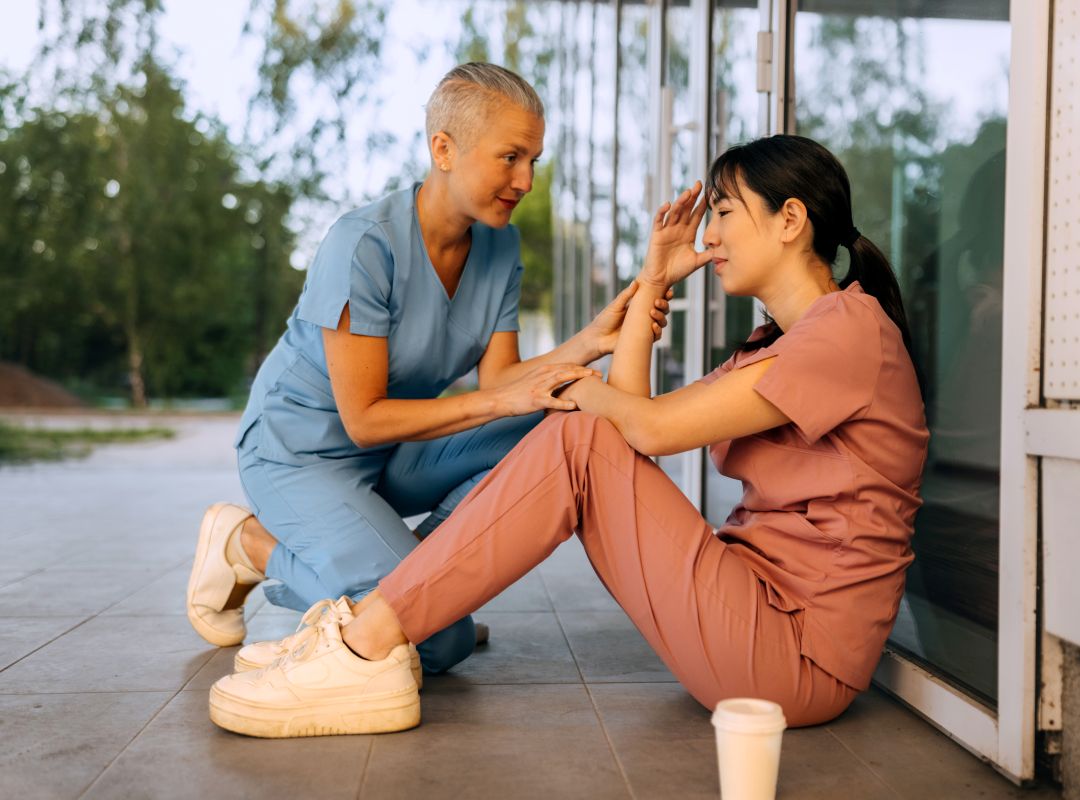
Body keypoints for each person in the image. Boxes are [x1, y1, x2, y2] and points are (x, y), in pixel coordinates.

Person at [206, 134, 930, 738]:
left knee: (580, 436)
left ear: (790, 219)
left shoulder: (848, 334)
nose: (709, 234)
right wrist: (652, 280)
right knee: (587, 434)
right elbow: (637, 425)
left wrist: (548, 388)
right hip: (752, 614)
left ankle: (362, 648)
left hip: (795, 655)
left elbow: (636, 425)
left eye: (726, 212)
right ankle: (371, 631)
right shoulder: (779, 345)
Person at [184, 62, 672, 676]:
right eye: (511, 157)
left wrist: (592, 341)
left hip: (396, 454)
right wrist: (504, 403)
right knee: (438, 644)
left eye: (534, 162)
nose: (524, 180)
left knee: (548, 423)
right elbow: (363, 420)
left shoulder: (500, 245)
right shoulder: (362, 245)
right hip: (300, 455)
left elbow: (502, 383)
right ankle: (250, 545)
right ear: (444, 148)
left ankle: (411, 581)